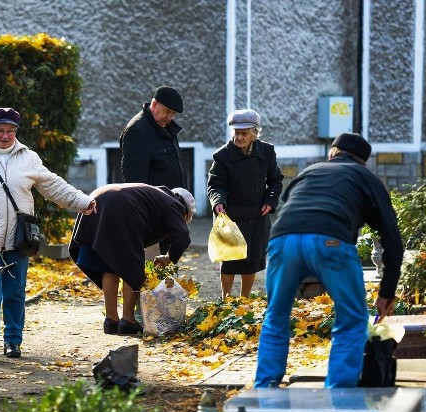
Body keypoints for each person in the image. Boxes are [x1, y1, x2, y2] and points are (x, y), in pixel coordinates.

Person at [254, 133, 403, 389]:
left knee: (276, 315)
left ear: (332, 153)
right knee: (353, 318)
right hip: (331, 242)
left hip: (282, 240)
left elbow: (290, 203)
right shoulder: (366, 178)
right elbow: (393, 240)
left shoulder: (310, 171)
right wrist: (386, 292)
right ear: (363, 162)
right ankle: (339, 394)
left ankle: (264, 388)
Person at [0, 107, 97, 359]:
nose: (5, 136)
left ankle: (13, 341)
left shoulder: (27, 157)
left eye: (10, 131)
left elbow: (53, 185)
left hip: (19, 239)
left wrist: (82, 202)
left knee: (15, 292)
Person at [69, 183, 195, 335]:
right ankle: (128, 320)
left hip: (97, 199)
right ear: (185, 212)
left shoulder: (156, 195)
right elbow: (181, 237)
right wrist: (169, 257)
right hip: (120, 207)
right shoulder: (174, 205)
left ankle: (111, 320)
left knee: (109, 264)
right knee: (132, 266)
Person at [207, 109, 283, 298]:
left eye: (244, 133)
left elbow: (276, 180)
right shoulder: (222, 155)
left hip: (257, 215)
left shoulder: (266, 151)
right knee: (230, 260)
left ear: (255, 133)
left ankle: (245, 299)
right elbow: (216, 184)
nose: (239, 137)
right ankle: (226, 298)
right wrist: (218, 202)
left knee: (252, 260)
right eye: (236, 132)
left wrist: (270, 201)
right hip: (231, 216)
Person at [120, 86, 189, 262]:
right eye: (166, 111)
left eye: (173, 114)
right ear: (154, 104)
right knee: (151, 271)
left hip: (168, 210)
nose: (169, 117)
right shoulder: (137, 130)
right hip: (151, 214)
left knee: (164, 271)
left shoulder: (166, 127)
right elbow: (134, 181)